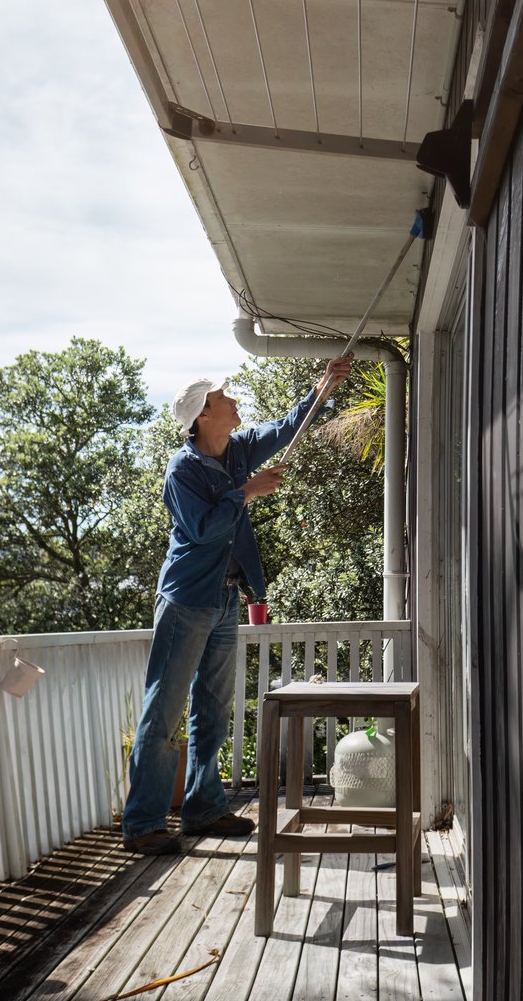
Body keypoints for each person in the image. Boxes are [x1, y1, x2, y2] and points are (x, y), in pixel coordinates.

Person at [121, 354, 354, 855]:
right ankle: (142, 825)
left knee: (214, 708)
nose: (234, 401)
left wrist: (324, 384)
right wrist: (246, 492)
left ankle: (203, 809)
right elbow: (202, 531)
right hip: (186, 600)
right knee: (163, 710)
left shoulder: (236, 450)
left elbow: (286, 427)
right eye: (225, 397)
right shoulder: (182, 470)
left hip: (224, 599)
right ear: (204, 414)